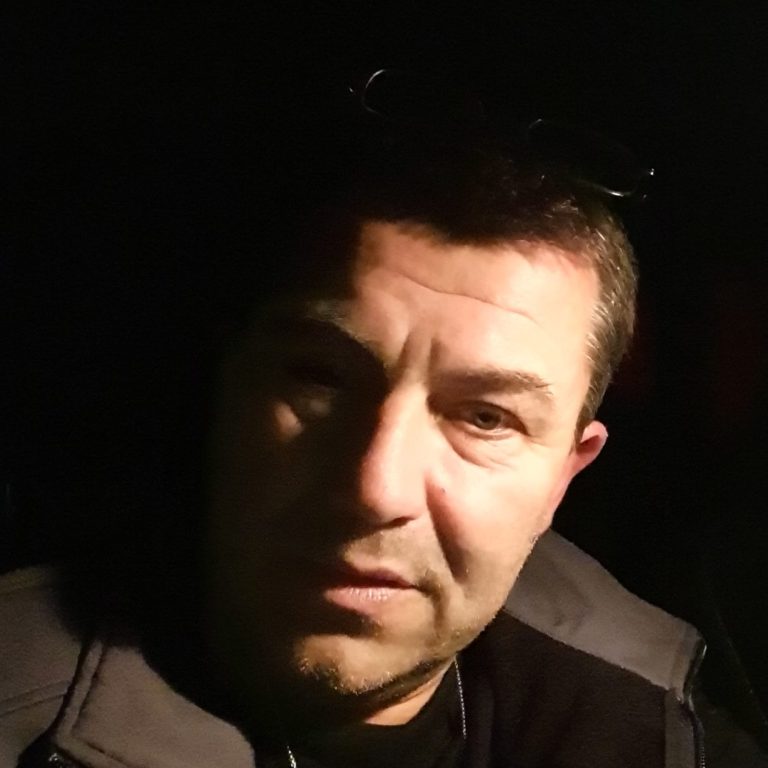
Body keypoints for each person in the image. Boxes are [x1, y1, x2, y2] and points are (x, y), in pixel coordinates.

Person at [2, 70, 765, 768]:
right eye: (322, 378)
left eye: (487, 417)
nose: (376, 489)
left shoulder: (665, 729)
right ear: (226, 386)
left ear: (565, 475)